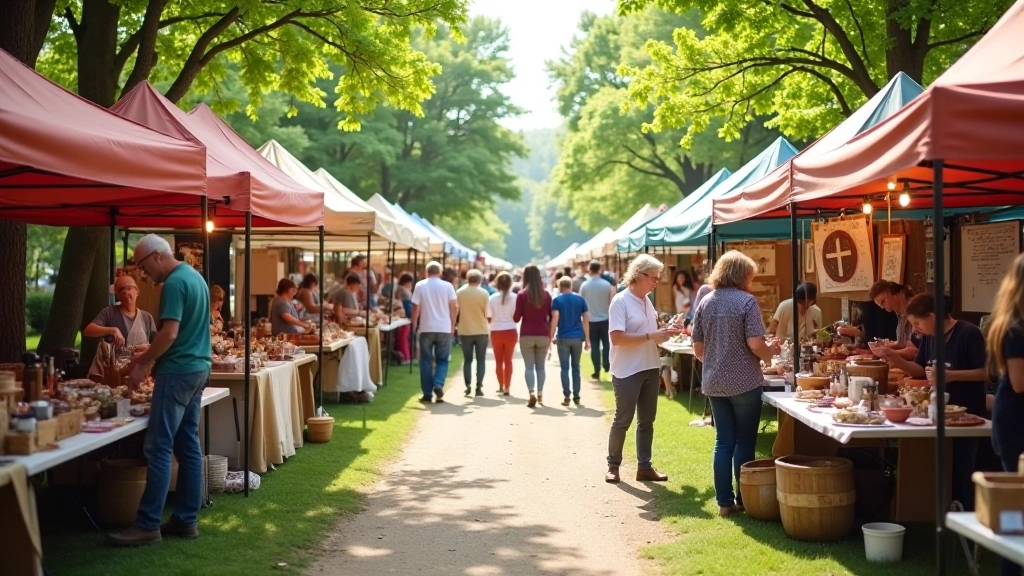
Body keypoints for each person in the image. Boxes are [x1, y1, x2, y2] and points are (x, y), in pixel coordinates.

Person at [108, 234, 212, 545]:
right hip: (198, 368)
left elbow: (168, 333)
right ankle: (185, 520)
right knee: (188, 445)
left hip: (178, 371)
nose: (142, 274)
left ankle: (148, 524)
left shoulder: (174, 284)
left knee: (158, 446)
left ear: (156, 257)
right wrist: (146, 358)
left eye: (141, 266)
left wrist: (142, 364)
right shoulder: (195, 278)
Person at [691, 251, 780, 516]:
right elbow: (755, 344)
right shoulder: (746, 302)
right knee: (744, 442)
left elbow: (698, 349)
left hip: (714, 381)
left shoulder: (705, 301)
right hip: (743, 380)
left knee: (724, 441)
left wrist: (718, 359)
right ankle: (743, 498)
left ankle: (724, 503)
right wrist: (770, 353)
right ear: (742, 275)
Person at [878, 293, 987, 510]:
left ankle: (966, 520)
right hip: (934, 414)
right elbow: (920, 370)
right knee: (940, 467)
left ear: (932, 316)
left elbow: (986, 373)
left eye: (917, 323)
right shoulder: (930, 337)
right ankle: (939, 514)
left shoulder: (968, 333)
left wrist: (952, 375)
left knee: (962, 468)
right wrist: (892, 356)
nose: (916, 330)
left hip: (965, 417)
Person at [605, 254, 679, 484]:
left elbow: (652, 336)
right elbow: (616, 338)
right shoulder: (620, 301)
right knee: (623, 419)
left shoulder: (647, 300)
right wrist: (650, 335)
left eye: (658, 278)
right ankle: (613, 466)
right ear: (638, 275)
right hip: (627, 369)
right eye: (653, 278)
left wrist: (666, 332)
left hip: (649, 366)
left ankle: (644, 467)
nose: (656, 282)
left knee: (647, 420)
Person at [985, 253, 1024, 576]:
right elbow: (1019, 382)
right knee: (1016, 503)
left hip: (1012, 416)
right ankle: (1010, 568)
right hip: (1016, 421)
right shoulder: (1014, 328)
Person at [84, 274, 157, 379]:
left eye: (129, 288)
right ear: (117, 295)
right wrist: (113, 330)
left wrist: (146, 349)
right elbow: (88, 330)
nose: (126, 293)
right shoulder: (109, 313)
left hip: (139, 373)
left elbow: (156, 345)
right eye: (121, 290)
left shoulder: (147, 317)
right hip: (113, 375)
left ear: (137, 291)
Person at [412, 261, 458, 403]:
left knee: (425, 361)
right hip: (444, 327)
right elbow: (454, 307)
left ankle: (427, 393)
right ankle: (438, 383)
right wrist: (453, 325)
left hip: (426, 327)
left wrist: (414, 325)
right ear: (440, 272)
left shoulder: (420, 285)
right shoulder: (448, 286)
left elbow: (415, 308)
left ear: (427, 272)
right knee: (442, 360)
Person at [514, 264, 552, 408]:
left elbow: (516, 318)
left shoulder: (521, 294)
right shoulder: (546, 295)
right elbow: (550, 315)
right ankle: (541, 394)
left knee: (529, 367)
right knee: (541, 367)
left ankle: (531, 393)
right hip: (542, 333)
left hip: (526, 334)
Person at [551, 276, 590, 406]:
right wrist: (588, 339)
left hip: (563, 337)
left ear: (560, 287)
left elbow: (555, 319)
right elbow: (585, 320)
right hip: (577, 337)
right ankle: (577, 396)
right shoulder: (580, 299)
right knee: (576, 367)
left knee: (564, 368)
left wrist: (551, 335)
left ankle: (566, 395)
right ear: (571, 285)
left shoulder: (557, 300)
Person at [863, 280, 919, 360]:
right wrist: (885, 346)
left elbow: (914, 352)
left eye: (882, 302)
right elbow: (903, 343)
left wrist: (886, 352)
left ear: (896, 294)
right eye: (879, 305)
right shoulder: (900, 314)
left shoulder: (915, 312)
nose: (882, 307)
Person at [457, 270, 490, 397]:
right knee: (481, 359)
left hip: (465, 329)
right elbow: (487, 313)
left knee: (467, 360)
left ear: (467, 279)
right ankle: (479, 386)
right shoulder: (484, 293)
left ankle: (468, 384)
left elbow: (456, 310)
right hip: (481, 330)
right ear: (480, 280)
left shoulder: (460, 292)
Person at [580, 260, 614, 381]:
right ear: (600, 270)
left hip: (590, 320)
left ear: (589, 270)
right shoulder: (607, 285)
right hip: (605, 319)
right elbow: (611, 301)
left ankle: (596, 370)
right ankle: (606, 364)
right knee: (606, 344)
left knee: (594, 345)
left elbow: (581, 303)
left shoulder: (585, 285)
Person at [489, 272, 518, 396]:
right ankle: (507, 386)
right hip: (511, 330)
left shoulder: (492, 298)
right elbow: (517, 316)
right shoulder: (515, 297)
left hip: (496, 331)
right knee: (509, 360)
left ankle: (501, 384)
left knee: (498, 360)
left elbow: (489, 317)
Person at [394, 273, 414, 363]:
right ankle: (406, 356)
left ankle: (406, 356)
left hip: (405, 313)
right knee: (404, 336)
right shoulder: (403, 290)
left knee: (404, 336)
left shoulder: (401, 289)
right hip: (404, 313)